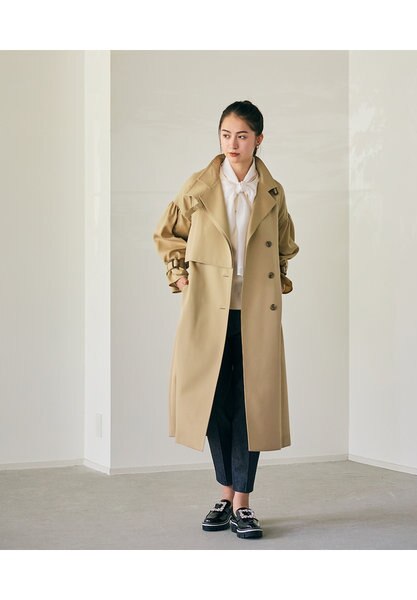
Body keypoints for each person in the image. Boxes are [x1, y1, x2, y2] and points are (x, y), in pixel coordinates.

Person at [153, 100, 299, 539]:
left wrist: (277, 281)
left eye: (242, 136)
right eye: (225, 135)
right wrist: (180, 277)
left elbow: (285, 245)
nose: (232, 144)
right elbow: (167, 234)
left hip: (255, 313)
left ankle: (242, 503)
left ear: (258, 139)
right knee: (213, 401)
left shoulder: (271, 192)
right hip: (207, 310)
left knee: (251, 405)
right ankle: (224, 493)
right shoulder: (198, 187)